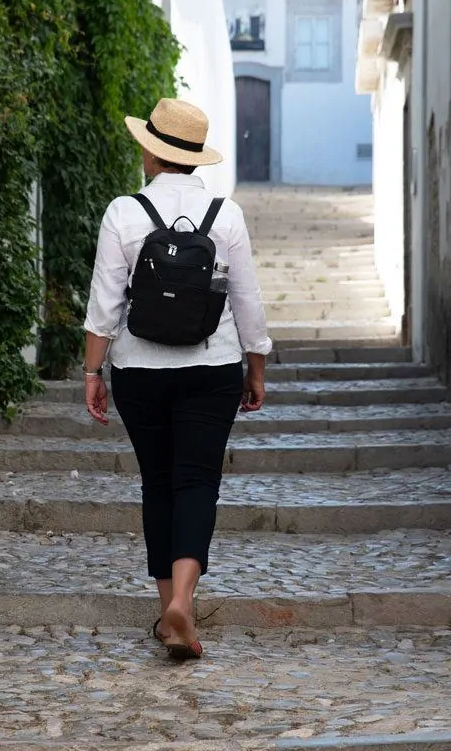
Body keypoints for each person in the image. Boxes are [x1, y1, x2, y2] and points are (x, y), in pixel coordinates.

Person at [81, 97, 272, 659]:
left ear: (151, 151)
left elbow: (104, 303)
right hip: (212, 368)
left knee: (157, 483)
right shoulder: (227, 215)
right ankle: (183, 603)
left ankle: (168, 607)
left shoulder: (124, 211)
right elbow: (247, 302)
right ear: (196, 157)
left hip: (139, 369)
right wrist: (254, 365)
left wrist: (93, 371)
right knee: (196, 481)